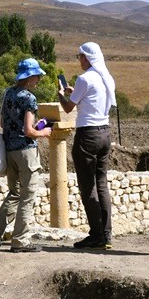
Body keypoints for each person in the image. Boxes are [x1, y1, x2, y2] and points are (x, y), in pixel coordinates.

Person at [0, 58, 52, 253]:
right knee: (27, 196)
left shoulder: (8, 94)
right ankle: (20, 241)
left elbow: (6, 125)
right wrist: (44, 132)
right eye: (37, 76)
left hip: (9, 150)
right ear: (29, 77)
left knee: (13, 193)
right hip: (26, 151)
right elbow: (29, 131)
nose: (38, 79)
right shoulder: (29, 98)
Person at [58, 42, 117, 250]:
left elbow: (67, 108)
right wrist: (75, 92)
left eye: (80, 56)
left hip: (88, 136)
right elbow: (93, 99)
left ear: (87, 58)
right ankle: (106, 234)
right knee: (101, 184)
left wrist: (60, 94)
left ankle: (96, 235)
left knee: (87, 186)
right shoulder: (106, 77)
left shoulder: (84, 78)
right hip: (104, 133)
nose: (79, 60)